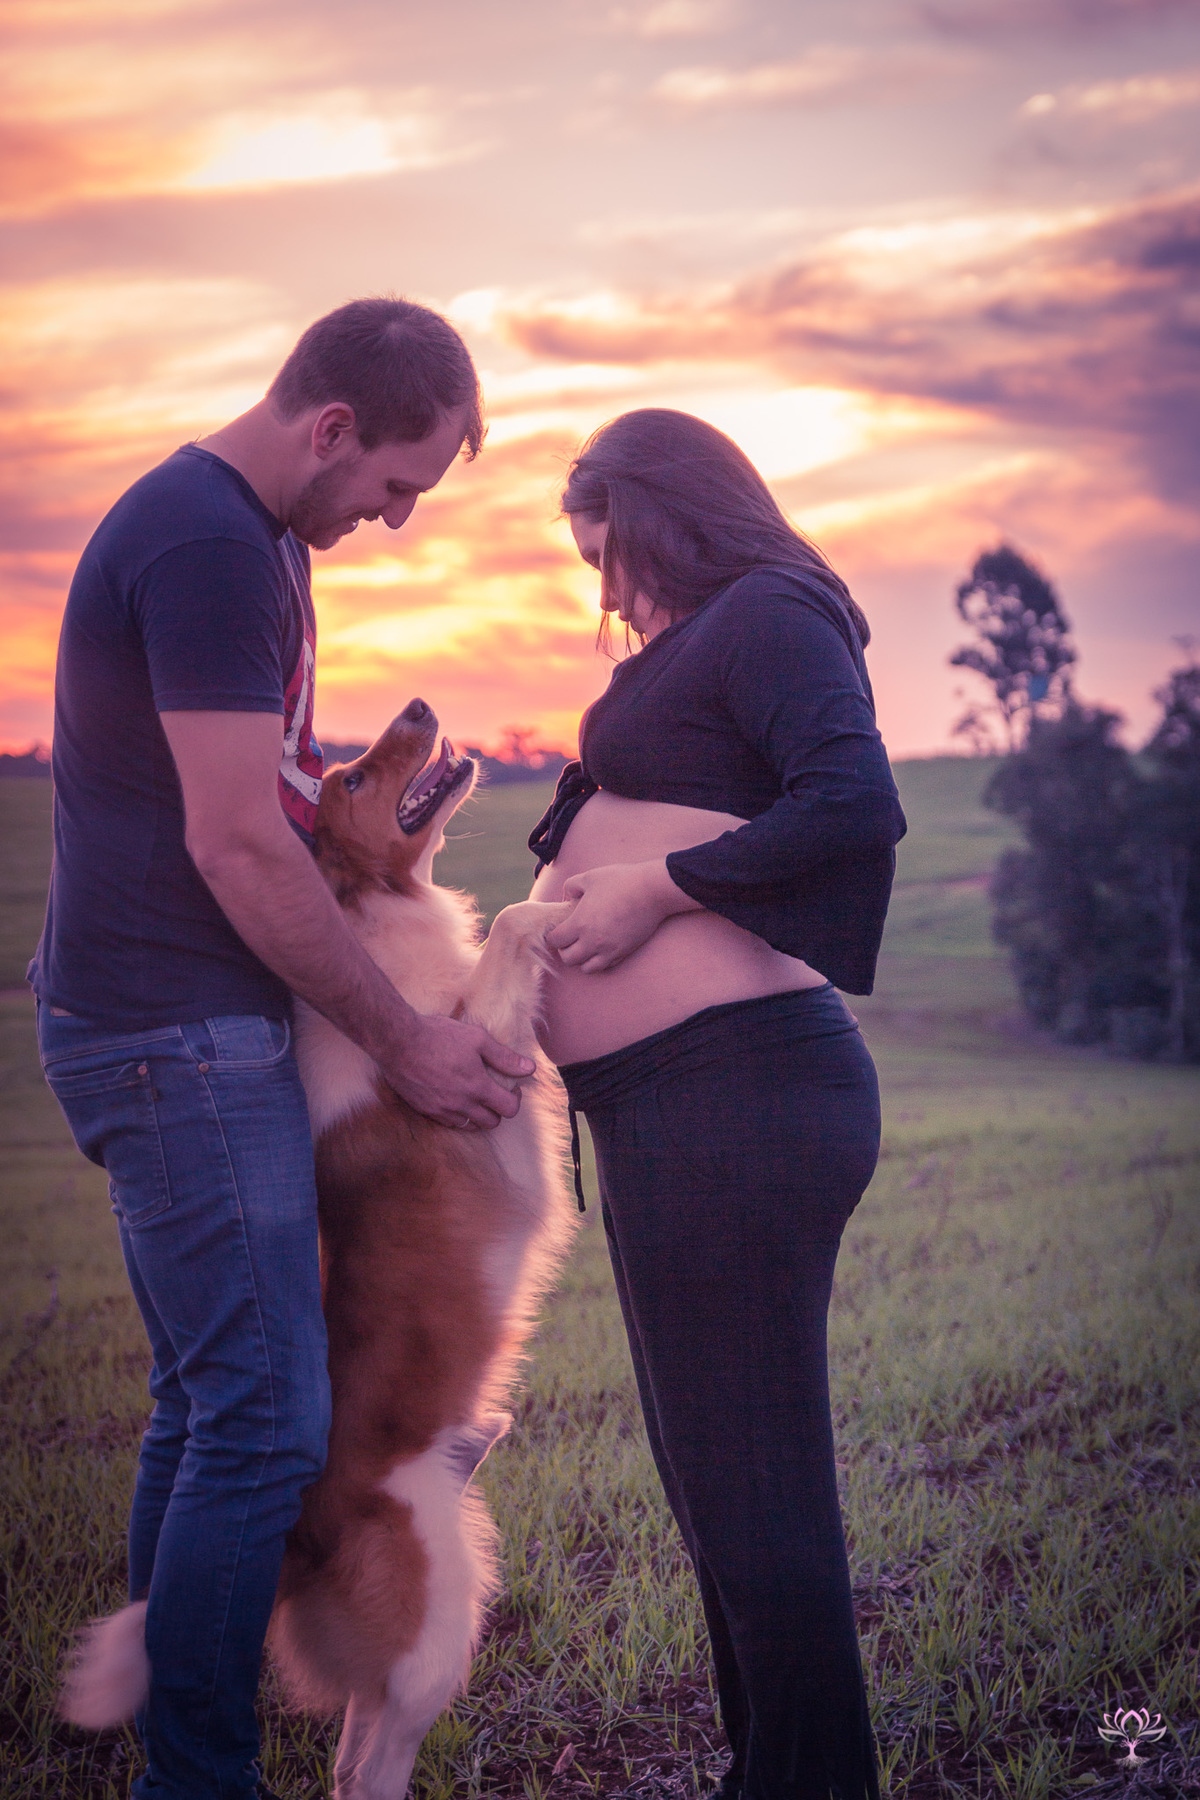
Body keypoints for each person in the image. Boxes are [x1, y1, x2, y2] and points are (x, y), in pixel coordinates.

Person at [29, 296, 536, 1800]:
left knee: (213, 1409)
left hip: (171, 1029)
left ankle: (175, 1758)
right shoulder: (203, 546)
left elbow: (282, 797)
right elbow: (244, 846)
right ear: (331, 430)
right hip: (170, 1038)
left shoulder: (252, 551)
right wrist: (410, 1046)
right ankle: (200, 1779)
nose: (394, 520)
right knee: (261, 1426)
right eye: (397, 484)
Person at [529, 409, 906, 1800]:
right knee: (719, 1498)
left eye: (610, 556)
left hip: (738, 1097)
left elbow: (853, 801)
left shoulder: (772, 609)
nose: (608, 596)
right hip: (672, 1109)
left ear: (672, 511)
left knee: (758, 1502)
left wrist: (653, 888)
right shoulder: (706, 635)